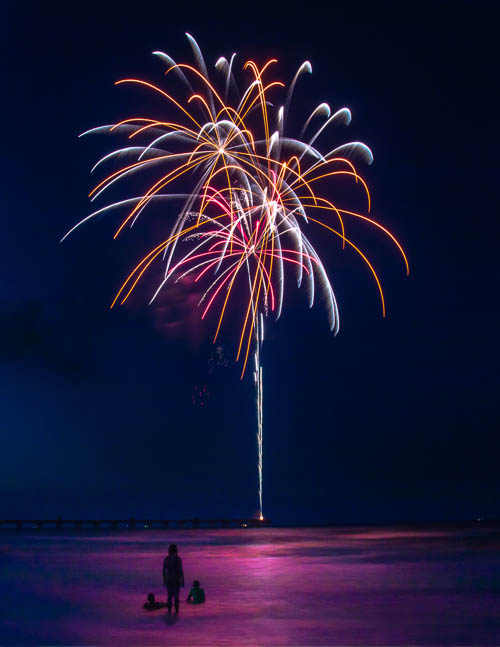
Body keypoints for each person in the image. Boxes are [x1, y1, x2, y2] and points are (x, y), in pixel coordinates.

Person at [162, 544, 184, 614]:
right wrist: (183, 579)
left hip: (169, 579)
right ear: (176, 550)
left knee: (169, 596)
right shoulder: (178, 559)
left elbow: (163, 571)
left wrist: (164, 580)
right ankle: (176, 612)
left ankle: (169, 611)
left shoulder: (166, 559)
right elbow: (180, 570)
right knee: (176, 596)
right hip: (176, 579)